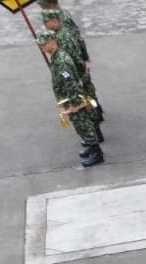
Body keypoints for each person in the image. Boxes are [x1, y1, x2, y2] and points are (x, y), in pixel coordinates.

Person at [38, 30, 101, 166]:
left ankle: (97, 153)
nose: (41, 47)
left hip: (74, 99)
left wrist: (75, 105)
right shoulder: (56, 56)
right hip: (68, 99)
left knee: (83, 125)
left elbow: (71, 84)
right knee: (81, 126)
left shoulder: (62, 62)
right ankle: (91, 147)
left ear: (52, 42)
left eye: (43, 44)